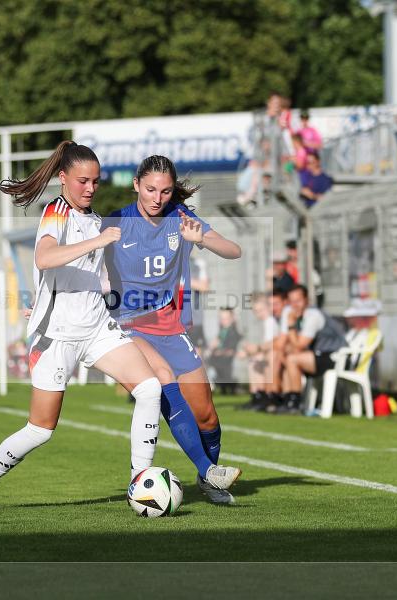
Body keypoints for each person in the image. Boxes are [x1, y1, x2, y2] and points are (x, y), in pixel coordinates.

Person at [0, 142, 240, 513]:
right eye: (82, 181)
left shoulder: (96, 219)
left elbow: (99, 279)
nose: (90, 188)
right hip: (58, 336)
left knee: (149, 388)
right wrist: (53, 297)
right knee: (41, 430)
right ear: (63, 179)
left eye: (95, 181)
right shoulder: (56, 212)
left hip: (98, 329)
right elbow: (44, 257)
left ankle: (140, 482)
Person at [103, 154, 243, 504]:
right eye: (150, 189)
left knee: (206, 414)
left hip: (170, 326)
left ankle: (208, 479)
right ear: (136, 185)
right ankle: (209, 472)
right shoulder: (117, 221)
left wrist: (202, 240)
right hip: (128, 324)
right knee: (163, 378)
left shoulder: (181, 218)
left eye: (165, 191)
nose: (157, 197)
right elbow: (79, 264)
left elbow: (234, 250)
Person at [278, 284, 347, 414]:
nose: (295, 305)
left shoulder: (313, 315)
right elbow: (285, 344)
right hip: (318, 355)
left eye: (298, 301)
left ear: (306, 300)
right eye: (292, 301)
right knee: (287, 357)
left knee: (292, 359)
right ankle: (288, 400)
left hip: (334, 356)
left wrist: (291, 325)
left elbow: (300, 345)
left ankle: (295, 402)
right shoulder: (294, 314)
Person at [240, 292, 281, 410]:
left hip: (274, 355)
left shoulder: (270, 322)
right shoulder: (263, 323)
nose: (259, 314)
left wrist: (252, 351)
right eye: (256, 311)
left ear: (268, 307)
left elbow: (270, 345)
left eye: (261, 310)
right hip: (269, 353)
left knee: (256, 360)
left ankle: (262, 396)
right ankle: (257, 396)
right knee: (253, 360)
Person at [208, 308, 242, 395]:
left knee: (209, 362)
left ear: (232, 319)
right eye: (221, 318)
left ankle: (215, 384)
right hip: (219, 359)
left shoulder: (233, 332)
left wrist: (219, 352)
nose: (224, 321)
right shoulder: (221, 331)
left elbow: (231, 349)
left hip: (226, 360)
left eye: (226, 318)